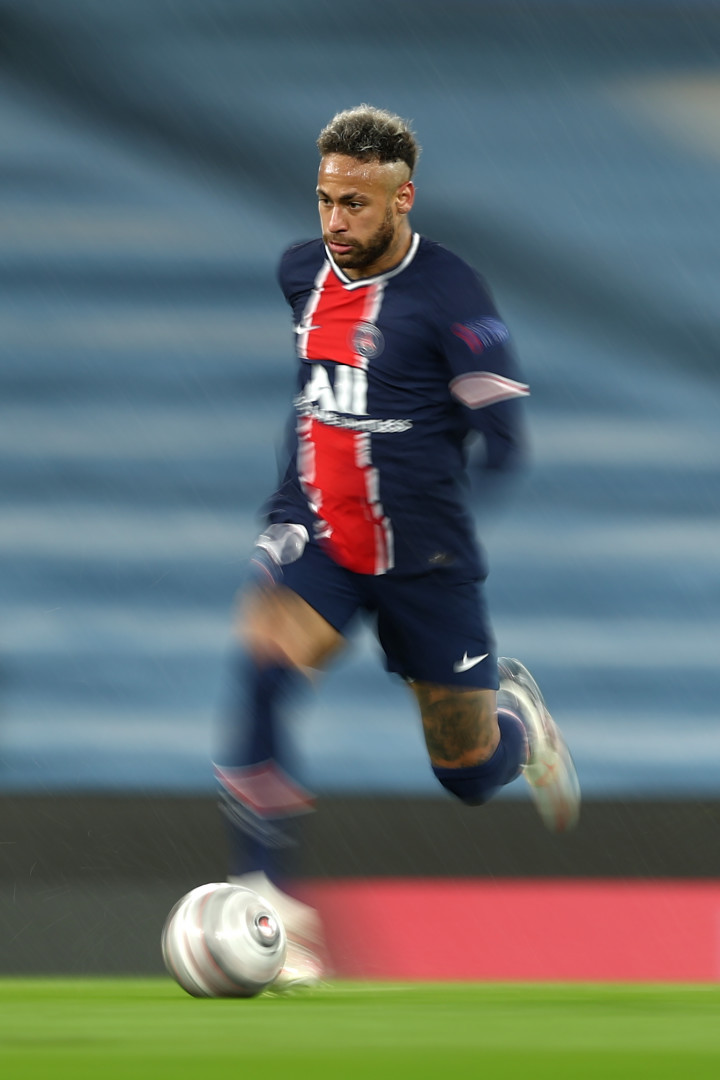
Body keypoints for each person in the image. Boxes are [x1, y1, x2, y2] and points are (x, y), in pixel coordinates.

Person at [215, 104, 580, 990]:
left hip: (428, 563)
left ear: (403, 198)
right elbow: (311, 401)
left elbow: (507, 440)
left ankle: (514, 722)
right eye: (325, 200)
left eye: (357, 204)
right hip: (326, 540)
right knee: (261, 663)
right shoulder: (301, 273)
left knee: (465, 772)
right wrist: (286, 505)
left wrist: (438, 490)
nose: (335, 222)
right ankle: (272, 911)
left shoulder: (454, 296)